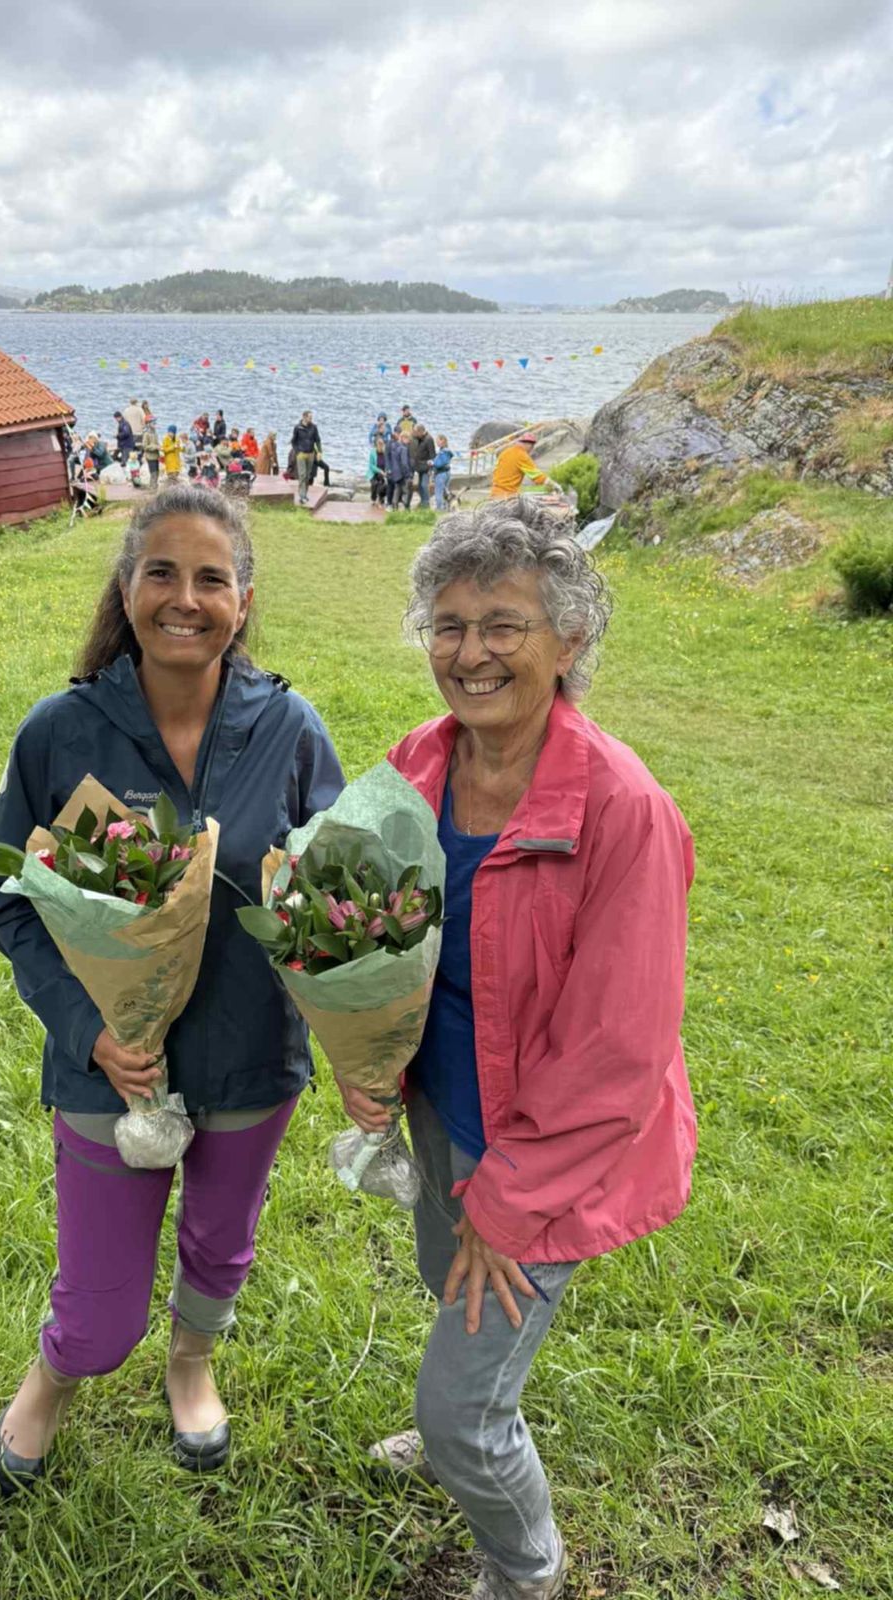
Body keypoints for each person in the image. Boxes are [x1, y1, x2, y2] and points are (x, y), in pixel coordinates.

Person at [342, 499, 696, 1600]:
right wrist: (363, 1055)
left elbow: (616, 1059)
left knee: (460, 1408)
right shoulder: (417, 765)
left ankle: (525, 1563)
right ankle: (471, 1406)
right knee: (439, 1279)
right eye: (448, 625)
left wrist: (509, 1204)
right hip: (444, 1109)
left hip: (552, 1153)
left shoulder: (623, 811)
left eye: (504, 625)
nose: (470, 653)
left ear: (569, 639)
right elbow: (368, 933)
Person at [0, 485, 345, 1496]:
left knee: (220, 1247)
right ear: (127, 585)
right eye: (162, 573)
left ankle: (191, 1365)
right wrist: (87, 1029)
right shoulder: (62, 732)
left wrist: (369, 1034)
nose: (186, 599)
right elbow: (1, 896)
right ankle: (58, 1373)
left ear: (244, 598)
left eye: (211, 579)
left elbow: (335, 900)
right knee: (100, 1309)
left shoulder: (291, 729)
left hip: (249, 1057)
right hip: (110, 1067)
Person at [489, 432, 556, 500]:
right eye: (532, 446)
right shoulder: (522, 455)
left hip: (495, 493)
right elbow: (537, 477)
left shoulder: (506, 452)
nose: (532, 449)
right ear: (529, 445)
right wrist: (553, 485)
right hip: (507, 496)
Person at [290, 411, 321, 505]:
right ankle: (302, 495)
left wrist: (319, 452)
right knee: (302, 475)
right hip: (301, 454)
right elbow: (293, 441)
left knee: (308, 476)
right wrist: (297, 451)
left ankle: (305, 494)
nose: (311, 419)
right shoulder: (297, 427)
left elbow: (317, 440)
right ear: (304, 417)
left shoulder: (314, 427)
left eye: (311, 417)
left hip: (311, 454)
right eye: (309, 417)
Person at [410, 423, 437, 508]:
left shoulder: (429, 439)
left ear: (420, 431)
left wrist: (431, 469)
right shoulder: (419, 438)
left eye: (416, 432)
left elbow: (432, 455)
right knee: (419, 486)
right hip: (420, 466)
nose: (415, 434)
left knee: (424, 485)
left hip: (426, 467)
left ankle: (426, 502)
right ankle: (422, 501)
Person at [385, 430, 412, 509]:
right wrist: (408, 474)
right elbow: (404, 463)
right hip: (402, 473)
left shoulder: (394, 447)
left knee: (397, 489)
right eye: (408, 439)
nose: (409, 442)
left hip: (395, 472)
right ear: (404, 438)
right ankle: (406, 507)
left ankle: (394, 505)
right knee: (405, 490)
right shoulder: (403, 449)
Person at [432, 434, 455, 510]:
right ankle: (445, 506)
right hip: (447, 472)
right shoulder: (447, 451)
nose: (436, 443)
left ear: (442, 441)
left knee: (439, 492)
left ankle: (439, 508)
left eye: (437, 441)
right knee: (445, 491)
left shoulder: (443, 452)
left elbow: (439, 464)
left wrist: (432, 463)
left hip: (441, 473)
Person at [367, 438, 388, 506]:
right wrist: (379, 471)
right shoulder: (372, 452)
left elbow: (388, 463)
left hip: (383, 473)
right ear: (376, 445)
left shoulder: (385, 452)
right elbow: (371, 465)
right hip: (373, 472)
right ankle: (373, 498)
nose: (380, 446)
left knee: (384, 485)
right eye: (379, 444)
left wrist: (386, 471)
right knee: (374, 484)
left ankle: (381, 498)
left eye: (382, 444)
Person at [141, 419, 161, 489]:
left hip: (156, 455)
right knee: (153, 473)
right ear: (149, 424)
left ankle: (154, 485)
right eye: (153, 423)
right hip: (150, 456)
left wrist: (160, 446)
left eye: (155, 423)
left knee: (157, 472)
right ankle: (152, 487)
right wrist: (155, 447)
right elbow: (145, 446)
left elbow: (157, 443)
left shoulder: (155, 433)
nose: (155, 425)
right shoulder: (146, 434)